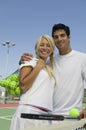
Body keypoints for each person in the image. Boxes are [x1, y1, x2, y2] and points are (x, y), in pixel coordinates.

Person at [20, 23, 86, 118]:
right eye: (56, 37)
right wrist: (22, 60)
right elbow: (33, 67)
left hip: (73, 117)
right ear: (53, 40)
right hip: (49, 116)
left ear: (69, 37)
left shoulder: (82, 58)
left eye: (62, 35)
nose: (59, 39)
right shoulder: (48, 61)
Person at [10, 35, 56, 130]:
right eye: (41, 45)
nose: (45, 48)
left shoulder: (50, 69)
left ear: (52, 49)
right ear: (36, 48)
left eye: (48, 45)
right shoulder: (30, 61)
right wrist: (38, 66)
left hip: (46, 115)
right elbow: (23, 86)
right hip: (29, 112)